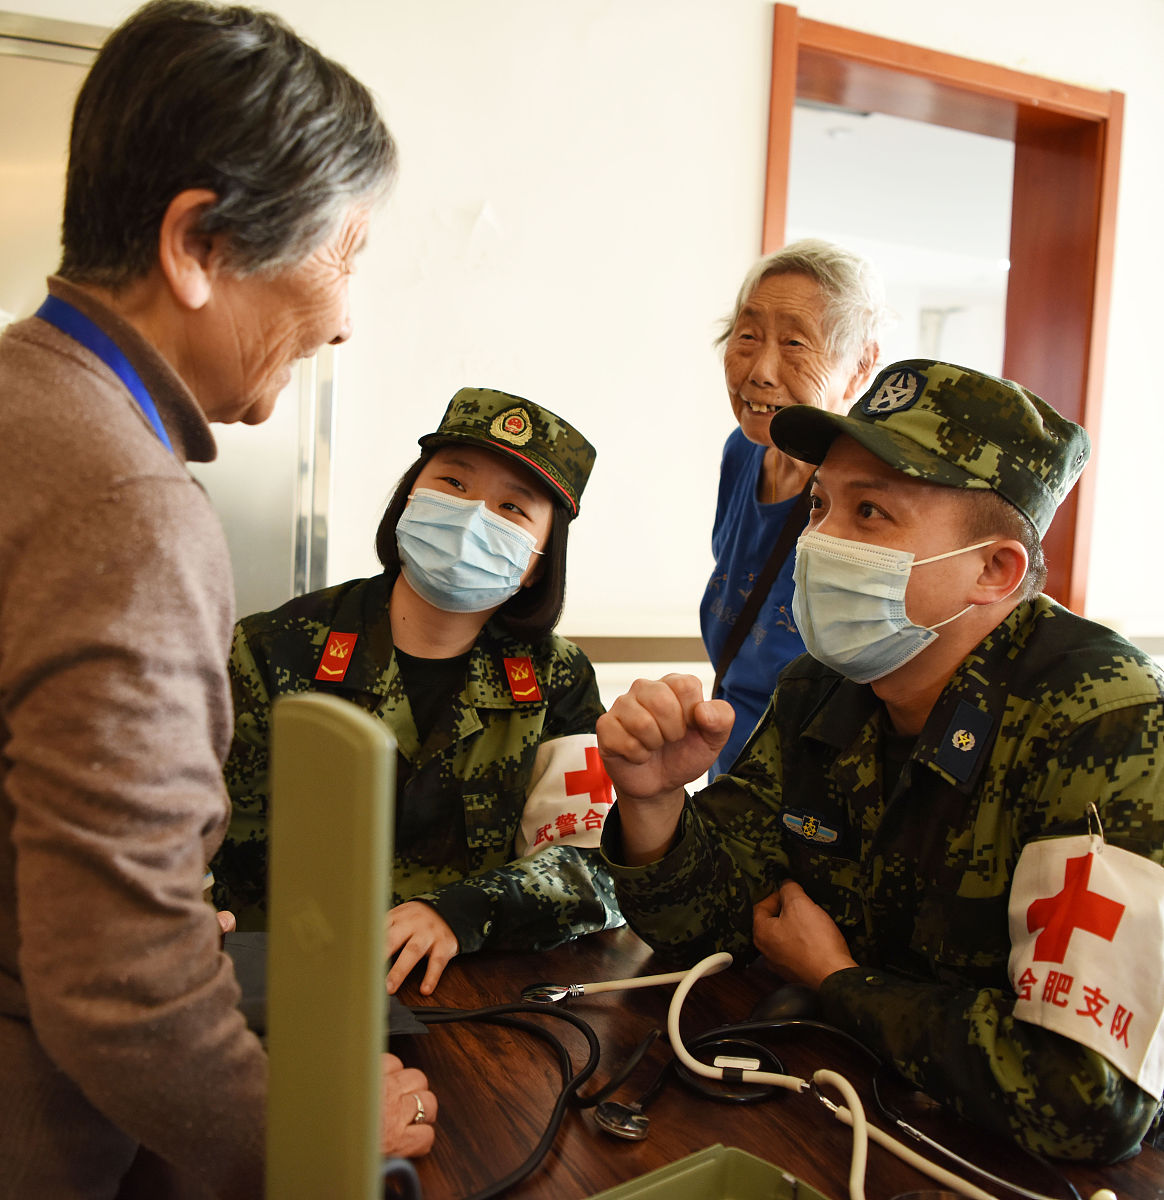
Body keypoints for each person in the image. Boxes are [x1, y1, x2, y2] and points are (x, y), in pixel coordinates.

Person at [0, 3, 436, 1196]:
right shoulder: (120, 505)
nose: (345, 315)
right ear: (197, 243)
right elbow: (121, 988)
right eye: (341, 254)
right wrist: (327, 1136)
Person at [597, 359, 1164, 1162]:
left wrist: (841, 984)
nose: (821, 540)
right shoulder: (823, 685)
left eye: (870, 513)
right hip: (840, 1117)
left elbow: (1084, 1094)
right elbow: (713, 927)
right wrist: (655, 806)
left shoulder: (1107, 721)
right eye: (821, 505)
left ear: (993, 571)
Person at [213, 386, 623, 996]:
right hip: (292, 984)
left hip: (473, 990)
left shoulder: (557, 678)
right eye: (455, 484)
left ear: (538, 559)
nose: (474, 517)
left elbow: (596, 866)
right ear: (411, 495)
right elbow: (222, 853)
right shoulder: (273, 649)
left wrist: (463, 912)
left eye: (513, 508)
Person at [701, 239, 887, 778]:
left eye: (796, 343)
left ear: (861, 365)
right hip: (729, 775)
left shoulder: (870, 499)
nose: (760, 370)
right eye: (748, 335)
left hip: (814, 793)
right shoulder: (742, 453)